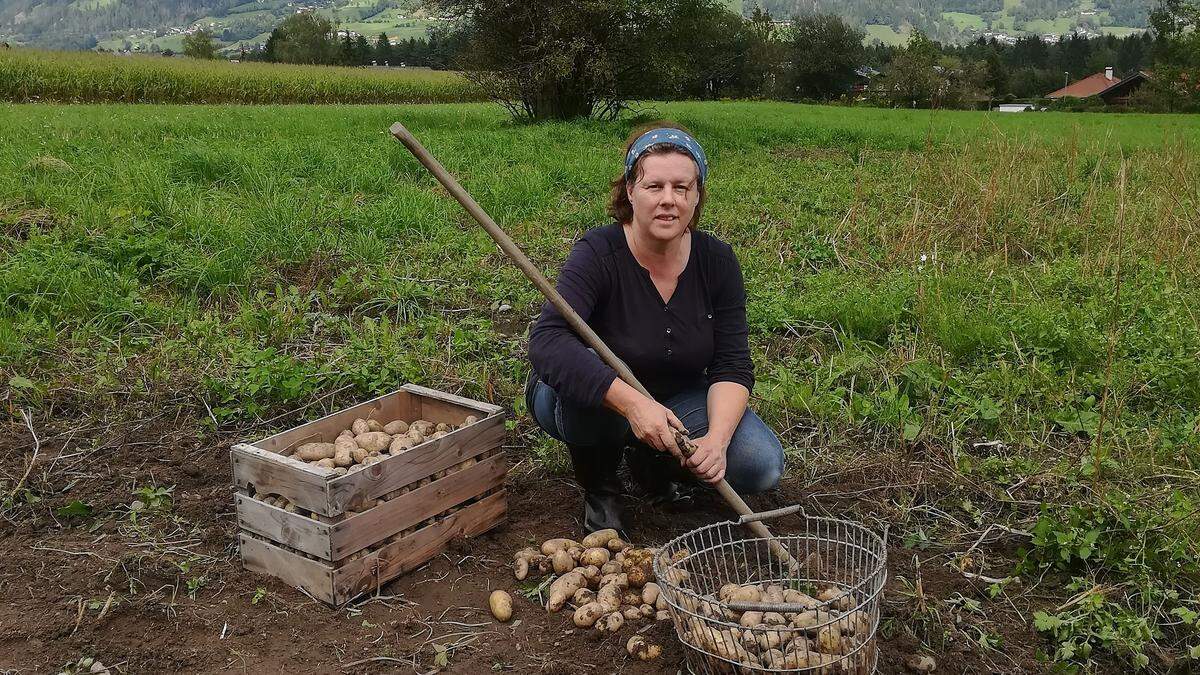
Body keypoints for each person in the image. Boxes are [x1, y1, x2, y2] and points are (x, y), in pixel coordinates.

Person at [525, 123, 784, 537]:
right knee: (590, 371)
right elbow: (548, 342)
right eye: (654, 186)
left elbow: (732, 364)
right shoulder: (598, 254)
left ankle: (653, 459)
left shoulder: (716, 262)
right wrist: (631, 405)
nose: (669, 200)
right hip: (588, 400)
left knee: (760, 465)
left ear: (697, 195)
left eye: (682, 188)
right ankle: (602, 487)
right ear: (630, 191)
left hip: (676, 395)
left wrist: (715, 440)